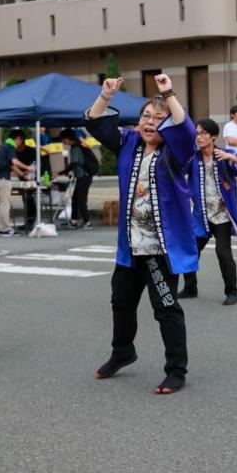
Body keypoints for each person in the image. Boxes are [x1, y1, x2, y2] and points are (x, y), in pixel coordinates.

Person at [87, 73, 196, 395]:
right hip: (130, 246)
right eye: (146, 116)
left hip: (160, 248)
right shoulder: (129, 142)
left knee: (165, 308)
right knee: (120, 300)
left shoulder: (177, 151)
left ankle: (176, 370)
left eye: (158, 118)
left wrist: (169, 93)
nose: (150, 122)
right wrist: (106, 95)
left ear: (168, 127)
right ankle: (123, 351)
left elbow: (185, 128)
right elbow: (95, 123)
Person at [178, 118, 237, 304]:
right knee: (190, 250)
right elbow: (178, 164)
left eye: (203, 133)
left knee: (223, 253)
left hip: (221, 216)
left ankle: (232, 292)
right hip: (201, 216)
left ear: (213, 136)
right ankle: (190, 287)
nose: (198, 137)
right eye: (197, 133)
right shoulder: (193, 157)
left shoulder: (224, 155)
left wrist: (232, 157)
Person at [0, 129, 25, 236]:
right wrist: (29, 168)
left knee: (2, 203)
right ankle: (4, 228)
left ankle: (2, 227)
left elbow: (11, 165)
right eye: (20, 142)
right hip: (2, 178)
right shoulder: (10, 146)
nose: (19, 145)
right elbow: (15, 162)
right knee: (5, 204)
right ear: (18, 139)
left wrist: (21, 174)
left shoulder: (3, 146)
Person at [61, 128, 97, 229]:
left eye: (63, 139)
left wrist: (62, 172)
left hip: (84, 176)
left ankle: (87, 222)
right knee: (75, 198)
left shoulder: (76, 147)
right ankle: (74, 220)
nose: (63, 142)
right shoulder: (78, 145)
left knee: (81, 199)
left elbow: (74, 163)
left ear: (67, 139)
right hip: (83, 176)